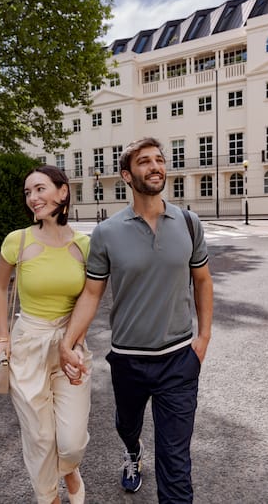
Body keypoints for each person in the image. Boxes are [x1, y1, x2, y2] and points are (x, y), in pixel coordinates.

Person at [60, 137, 214, 503]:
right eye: (144, 161)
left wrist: (203, 339)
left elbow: (203, 281)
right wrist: (68, 342)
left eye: (159, 160)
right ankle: (132, 451)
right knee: (126, 424)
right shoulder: (107, 232)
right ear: (127, 175)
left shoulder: (189, 223)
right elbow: (92, 293)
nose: (155, 166)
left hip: (179, 360)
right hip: (128, 359)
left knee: (176, 462)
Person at [0, 165, 91, 504]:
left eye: (40, 189)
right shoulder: (18, 241)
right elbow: (1, 286)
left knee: (71, 441)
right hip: (28, 343)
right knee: (40, 436)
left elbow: (90, 299)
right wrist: (3, 337)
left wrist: (72, 342)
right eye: (28, 192)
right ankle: (49, 497)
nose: (33, 198)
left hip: (70, 344)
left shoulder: (84, 245)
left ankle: (69, 468)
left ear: (63, 192)